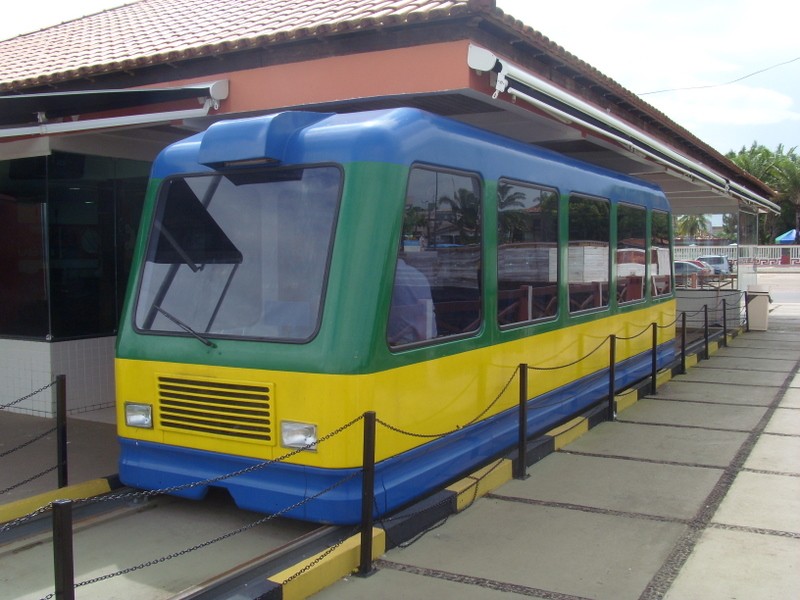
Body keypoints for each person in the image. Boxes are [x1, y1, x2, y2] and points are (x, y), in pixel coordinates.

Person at [387, 257, 436, 346]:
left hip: (399, 343)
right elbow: (426, 315)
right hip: (426, 340)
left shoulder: (389, 278)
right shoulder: (419, 275)